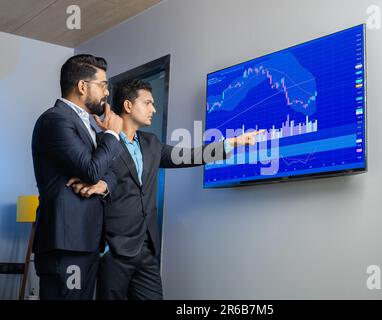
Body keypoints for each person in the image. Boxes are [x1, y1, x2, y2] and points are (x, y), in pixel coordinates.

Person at [70, 79, 264, 300]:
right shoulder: (104, 143)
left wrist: (232, 143)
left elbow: (190, 155)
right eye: (148, 103)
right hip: (114, 251)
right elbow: (94, 178)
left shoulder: (152, 143)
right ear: (128, 106)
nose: (153, 109)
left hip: (146, 250)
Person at [31, 54, 124, 299]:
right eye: (103, 85)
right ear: (82, 86)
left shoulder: (91, 126)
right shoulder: (55, 119)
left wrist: (102, 184)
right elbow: (92, 170)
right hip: (66, 243)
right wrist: (113, 135)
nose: (107, 92)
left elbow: (110, 173)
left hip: (86, 241)